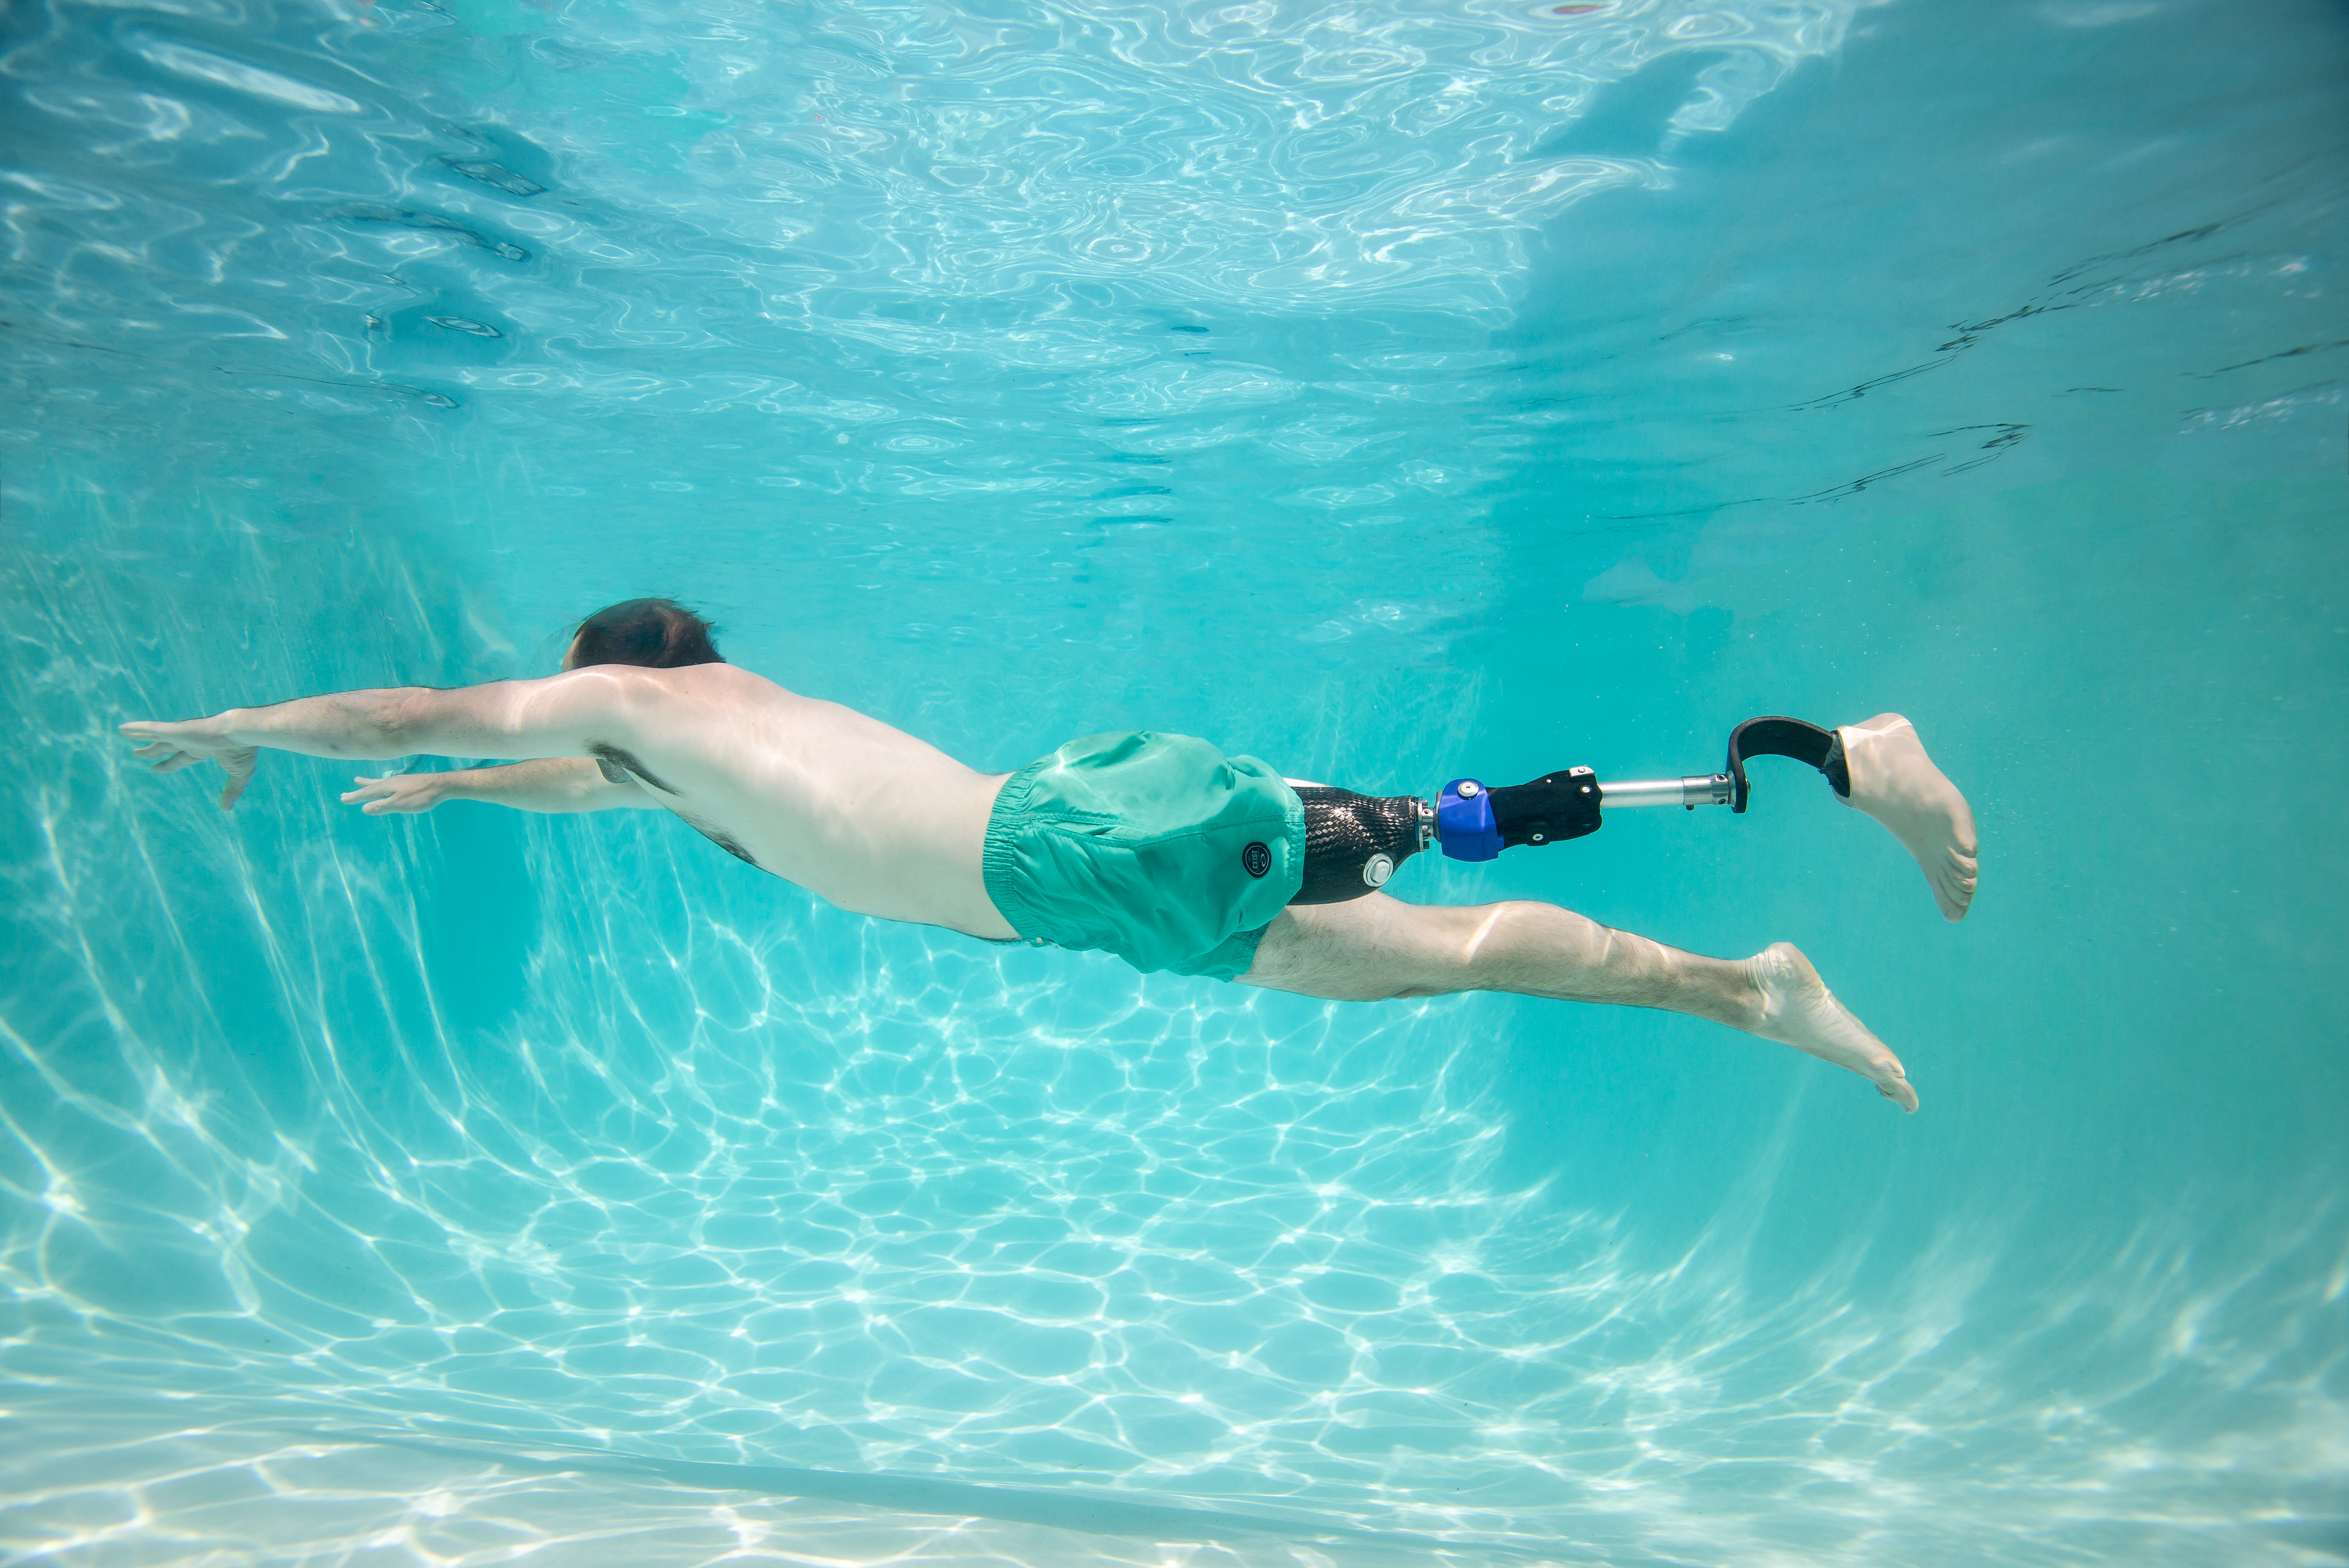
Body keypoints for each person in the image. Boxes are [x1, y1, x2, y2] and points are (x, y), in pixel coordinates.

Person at [121, 598, 1978, 1114]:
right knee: (1441, 929)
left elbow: (408, 707)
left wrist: (241, 733)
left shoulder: (650, 709)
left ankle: (1832, 753)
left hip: (1082, 850)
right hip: (1093, 870)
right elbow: (585, 785)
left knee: (1426, 848)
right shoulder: (700, 754)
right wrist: (465, 802)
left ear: (614, 673)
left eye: (575, 703)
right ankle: (1758, 991)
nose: (558, 732)